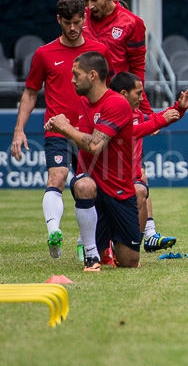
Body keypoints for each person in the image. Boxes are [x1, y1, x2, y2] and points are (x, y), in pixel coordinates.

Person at [79, 0, 177, 255]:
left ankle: (148, 232)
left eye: (94, 0)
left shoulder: (131, 24)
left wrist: (143, 109)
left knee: (135, 170)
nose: (90, 6)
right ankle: (92, 240)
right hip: (89, 106)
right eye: (86, 0)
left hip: (120, 107)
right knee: (89, 173)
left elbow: (137, 68)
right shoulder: (81, 22)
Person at [10, 0, 110, 259]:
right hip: (57, 127)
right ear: (59, 20)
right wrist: (19, 130)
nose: (73, 28)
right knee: (57, 176)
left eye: (77, 22)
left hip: (90, 131)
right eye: (67, 23)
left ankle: (84, 242)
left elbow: (107, 92)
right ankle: (54, 231)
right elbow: (30, 92)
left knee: (89, 186)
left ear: (84, 18)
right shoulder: (44, 54)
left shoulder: (98, 51)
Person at [44, 51, 138, 271]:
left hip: (118, 189)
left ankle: (110, 243)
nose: (72, 80)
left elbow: (95, 144)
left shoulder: (116, 103)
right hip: (93, 186)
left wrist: (65, 128)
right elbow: (87, 135)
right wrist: (62, 127)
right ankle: (91, 255)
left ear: (93, 75)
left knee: (129, 262)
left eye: (76, 74)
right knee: (84, 185)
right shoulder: (84, 102)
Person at [106, 72, 188, 265]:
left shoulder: (137, 114)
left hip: (129, 179)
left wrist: (179, 108)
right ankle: (93, 248)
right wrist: (160, 120)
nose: (142, 98)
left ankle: (134, 246)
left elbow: (155, 119)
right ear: (123, 94)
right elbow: (131, 132)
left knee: (141, 190)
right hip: (109, 180)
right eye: (138, 93)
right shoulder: (111, 113)